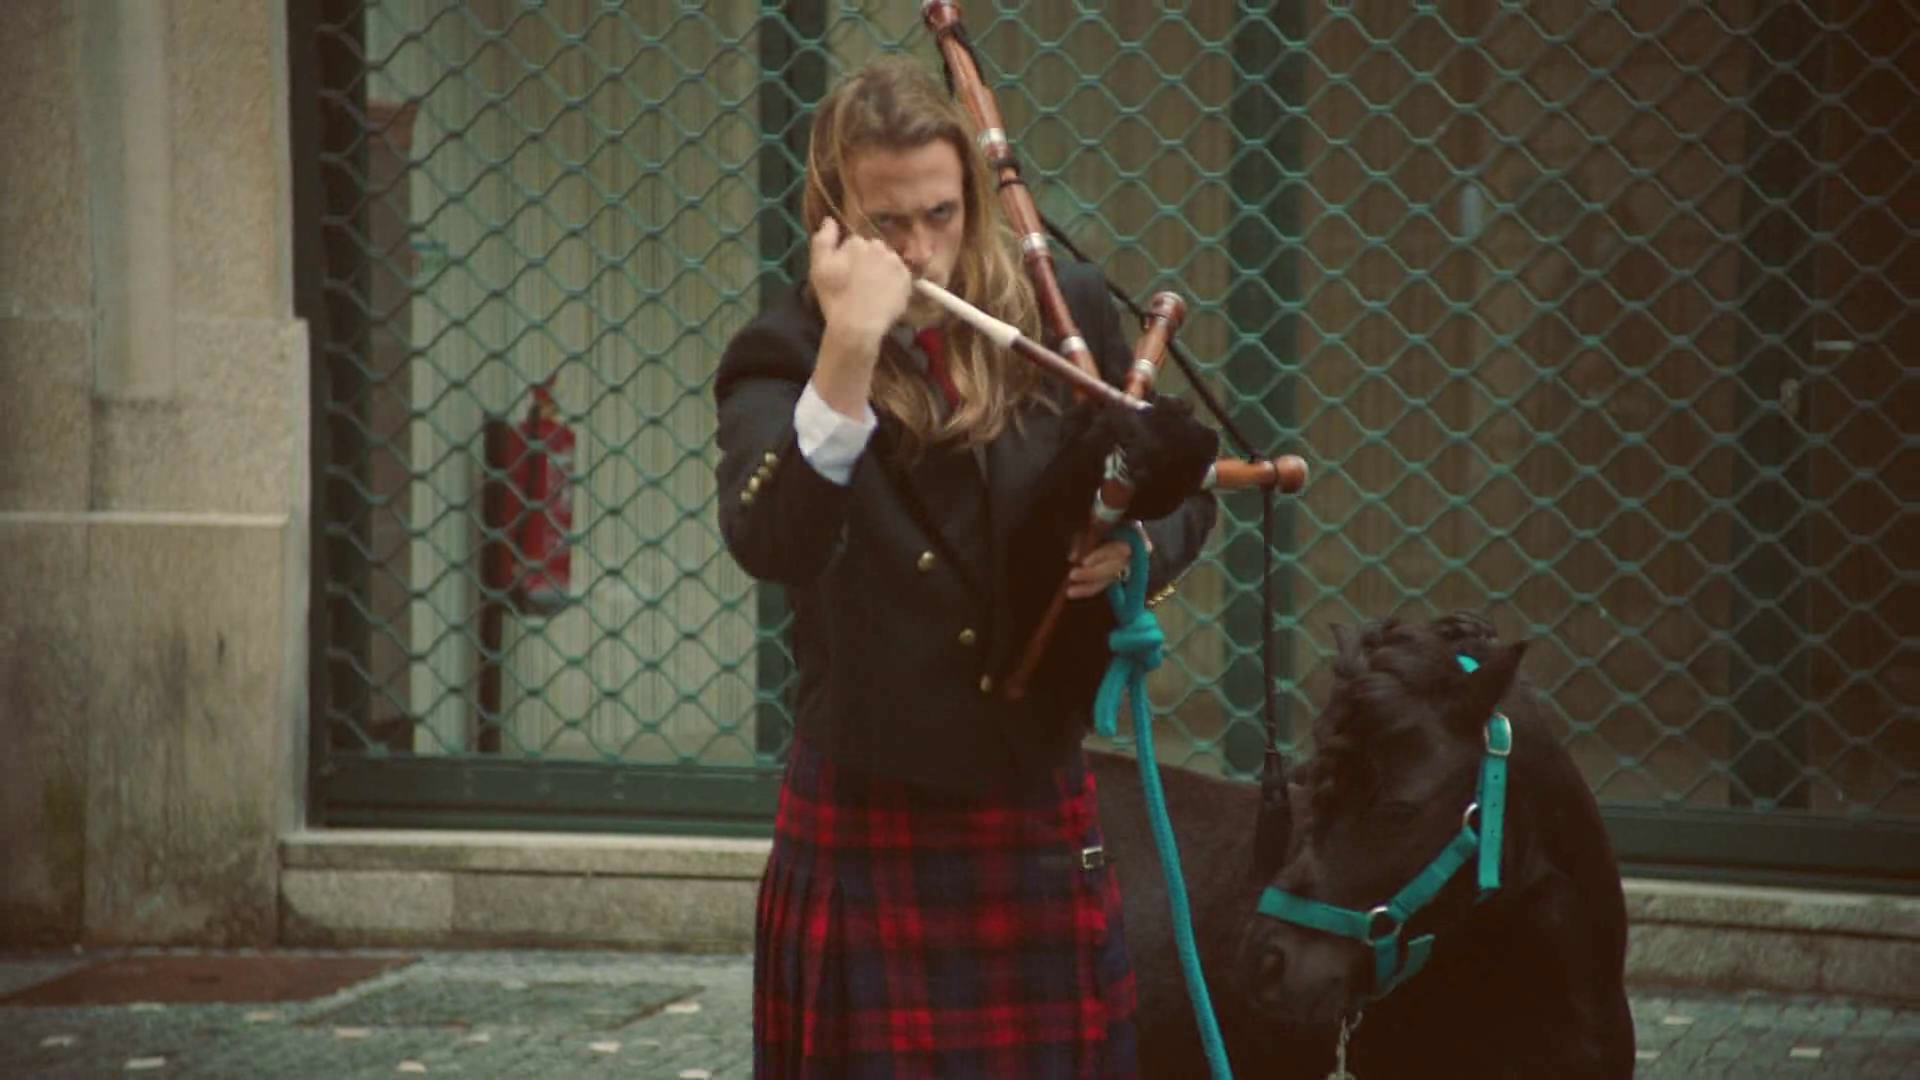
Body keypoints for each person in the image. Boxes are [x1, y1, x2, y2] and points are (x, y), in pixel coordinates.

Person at [713, 54, 1221, 1078]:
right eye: (887, 223)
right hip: (872, 804)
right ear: (832, 220)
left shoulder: (1062, 312)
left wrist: (1132, 549)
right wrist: (849, 351)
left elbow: (1185, 485)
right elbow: (773, 543)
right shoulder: (785, 352)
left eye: (940, 215)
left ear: (975, 203)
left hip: (1031, 792)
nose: (919, 251)